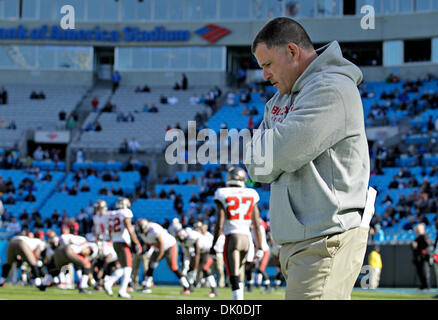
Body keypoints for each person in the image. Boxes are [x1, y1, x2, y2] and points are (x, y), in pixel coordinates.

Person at [245, 17, 371, 300]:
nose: (264, 75)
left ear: (292, 51)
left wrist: (266, 153)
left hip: (325, 239)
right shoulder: (280, 98)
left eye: (267, 65)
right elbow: (258, 167)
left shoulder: (331, 89)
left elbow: (272, 155)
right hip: (303, 241)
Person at [211, 166, 262, 300]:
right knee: (239, 274)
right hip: (247, 239)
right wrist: (260, 246)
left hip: (232, 238)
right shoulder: (251, 193)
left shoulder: (222, 192)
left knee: (233, 277)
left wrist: (213, 244)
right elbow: (256, 224)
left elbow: (220, 223)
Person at [138, 219, 191, 295]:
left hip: (169, 246)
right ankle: (146, 286)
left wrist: (157, 259)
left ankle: (186, 286)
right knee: (151, 265)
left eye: (140, 227)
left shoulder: (154, 230)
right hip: (158, 247)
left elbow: (162, 245)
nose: (139, 229)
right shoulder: (142, 233)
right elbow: (149, 243)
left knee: (173, 266)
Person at [103, 197, 142, 299]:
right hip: (122, 242)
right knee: (128, 267)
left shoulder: (111, 213)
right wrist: (136, 242)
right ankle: (122, 290)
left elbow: (110, 229)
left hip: (115, 241)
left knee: (124, 266)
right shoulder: (125, 212)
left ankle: (109, 282)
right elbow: (128, 227)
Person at [411, 223, 432, 291]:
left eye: (418, 229)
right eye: (417, 229)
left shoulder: (425, 236)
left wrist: (424, 253)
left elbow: (428, 245)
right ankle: (423, 285)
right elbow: (413, 246)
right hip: (418, 258)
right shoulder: (417, 238)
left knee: (425, 272)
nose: (417, 231)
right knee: (420, 272)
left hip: (424, 258)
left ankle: (427, 285)